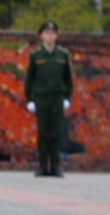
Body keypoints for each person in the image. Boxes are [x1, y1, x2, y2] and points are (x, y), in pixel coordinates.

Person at [22, 21, 74, 177]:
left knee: (56, 133)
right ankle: (43, 166)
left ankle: (55, 166)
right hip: (41, 98)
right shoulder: (36, 55)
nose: (50, 36)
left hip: (57, 97)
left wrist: (67, 97)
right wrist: (29, 99)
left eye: (52, 33)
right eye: (46, 33)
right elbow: (29, 79)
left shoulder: (62, 55)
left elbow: (68, 79)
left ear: (56, 36)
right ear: (41, 36)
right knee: (43, 132)